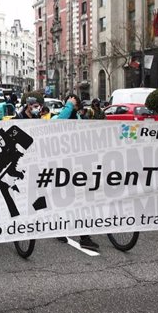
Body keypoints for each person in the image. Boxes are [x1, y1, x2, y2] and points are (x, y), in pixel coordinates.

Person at [54, 95, 99, 250]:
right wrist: (68, 106)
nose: (73, 105)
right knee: (64, 200)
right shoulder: (58, 116)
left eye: (75, 103)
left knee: (82, 201)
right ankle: (59, 228)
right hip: (62, 167)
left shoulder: (80, 119)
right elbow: (58, 124)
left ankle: (85, 237)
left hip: (79, 167)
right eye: (71, 102)